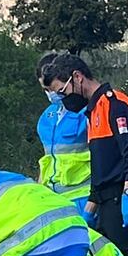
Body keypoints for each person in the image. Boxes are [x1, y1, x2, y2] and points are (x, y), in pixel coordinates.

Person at [43, 54, 128, 256]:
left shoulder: (114, 103)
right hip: (103, 205)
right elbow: (101, 169)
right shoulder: (92, 112)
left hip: (121, 201)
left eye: (63, 91)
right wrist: (90, 210)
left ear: (78, 77)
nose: (63, 98)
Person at [35, 52, 91, 210]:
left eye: (53, 88)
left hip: (85, 197)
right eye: (46, 89)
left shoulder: (87, 111)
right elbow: (48, 160)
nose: (51, 93)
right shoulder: (46, 118)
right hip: (55, 201)